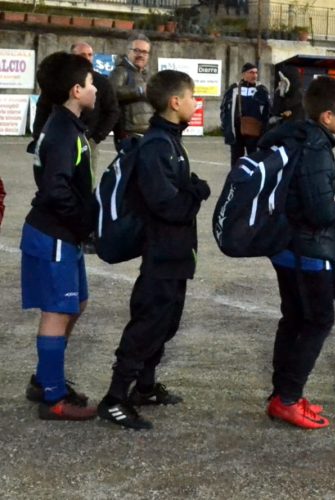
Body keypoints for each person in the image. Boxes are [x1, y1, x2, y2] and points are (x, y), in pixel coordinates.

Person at [97, 70, 211, 430]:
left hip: (175, 254)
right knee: (147, 324)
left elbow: (174, 197)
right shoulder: (157, 145)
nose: (196, 103)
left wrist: (189, 190)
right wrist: (196, 193)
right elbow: (167, 206)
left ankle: (143, 387)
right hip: (161, 254)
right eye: (192, 97)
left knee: (167, 323)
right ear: (175, 102)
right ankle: (115, 398)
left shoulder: (170, 141)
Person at [263, 76, 335, 429]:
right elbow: (318, 212)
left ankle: (283, 393)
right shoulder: (315, 148)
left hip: (287, 246)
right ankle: (286, 398)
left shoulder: (297, 136)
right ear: (327, 116)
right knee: (318, 320)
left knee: (295, 319)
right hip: (306, 248)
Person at [19, 52, 97, 420]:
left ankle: (44, 377)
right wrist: (85, 222)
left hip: (64, 234)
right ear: (76, 90)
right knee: (56, 312)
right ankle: (52, 398)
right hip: (53, 235)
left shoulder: (67, 123)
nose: (96, 88)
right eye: (91, 82)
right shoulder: (63, 130)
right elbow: (55, 190)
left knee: (75, 305)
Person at [31, 42, 119, 181]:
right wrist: (38, 136)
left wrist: (96, 137)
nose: (87, 58)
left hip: (88, 141)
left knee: (85, 182)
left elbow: (112, 111)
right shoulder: (59, 83)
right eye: (82, 55)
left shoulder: (102, 82)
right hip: (61, 140)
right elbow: (42, 108)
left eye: (90, 55)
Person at [220, 62, 270, 167]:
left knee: (254, 160)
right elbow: (224, 108)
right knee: (236, 161)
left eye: (256, 73)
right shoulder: (233, 89)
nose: (254, 75)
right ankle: (235, 181)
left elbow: (268, 111)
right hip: (236, 131)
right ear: (244, 74)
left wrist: (264, 131)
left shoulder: (261, 89)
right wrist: (226, 128)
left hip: (254, 132)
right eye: (251, 72)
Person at [110, 33, 153, 149]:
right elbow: (112, 93)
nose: (141, 55)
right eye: (137, 51)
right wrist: (139, 90)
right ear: (128, 51)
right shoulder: (120, 71)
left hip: (149, 132)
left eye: (144, 52)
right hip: (128, 134)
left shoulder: (148, 75)